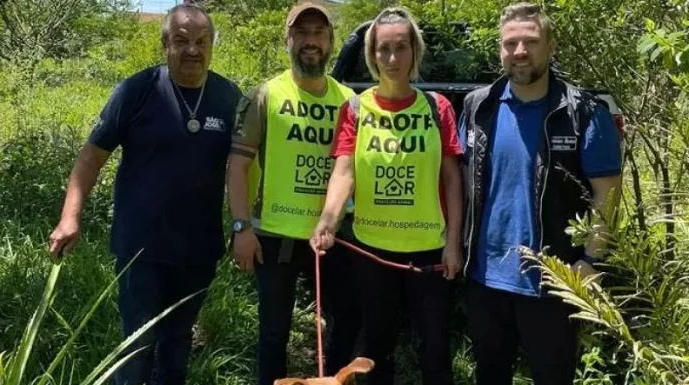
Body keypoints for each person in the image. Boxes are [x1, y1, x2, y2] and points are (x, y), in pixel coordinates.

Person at [48, 4, 242, 385]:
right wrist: (70, 216)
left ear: (212, 45)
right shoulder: (137, 91)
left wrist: (245, 223)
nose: (192, 50)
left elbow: (243, 166)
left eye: (201, 41)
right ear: (165, 44)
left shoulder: (227, 97)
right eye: (181, 41)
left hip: (198, 250)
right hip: (140, 249)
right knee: (136, 348)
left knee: (176, 346)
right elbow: (91, 158)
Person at [458, 3, 623, 384]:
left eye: (530, 42)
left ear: (550, 46)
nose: (519, 51)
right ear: (499, 49)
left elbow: (607, 195)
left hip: (553, 280)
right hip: (484, 281)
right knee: (489, 375)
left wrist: (590, 262)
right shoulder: (478, 106)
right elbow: (464, 180)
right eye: (510, 43)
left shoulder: (583, 112)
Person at [310, 7, 463, 385]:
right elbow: (344, 171)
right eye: (383, 49)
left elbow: (452, 179)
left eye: (401, 47)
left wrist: (454, 242)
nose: (392, 58)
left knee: (435, 349)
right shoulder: (356, 109)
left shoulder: (436, 107)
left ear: (415, 52)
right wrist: (328, 219)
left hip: (430, 250)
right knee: (376, 347)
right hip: (372, 250)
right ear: (371, 55)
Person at [226, 3, 362, 385]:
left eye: (319, 32)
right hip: (274, 236)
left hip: (335, 236)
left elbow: (354, 171)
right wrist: (241, 227)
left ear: (331, 41)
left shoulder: (350, 101)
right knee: (273, 332)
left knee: (347, 322)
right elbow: (237, 165)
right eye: (301, 33)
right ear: (288, 40)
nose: (310, 41)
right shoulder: (265, 95)